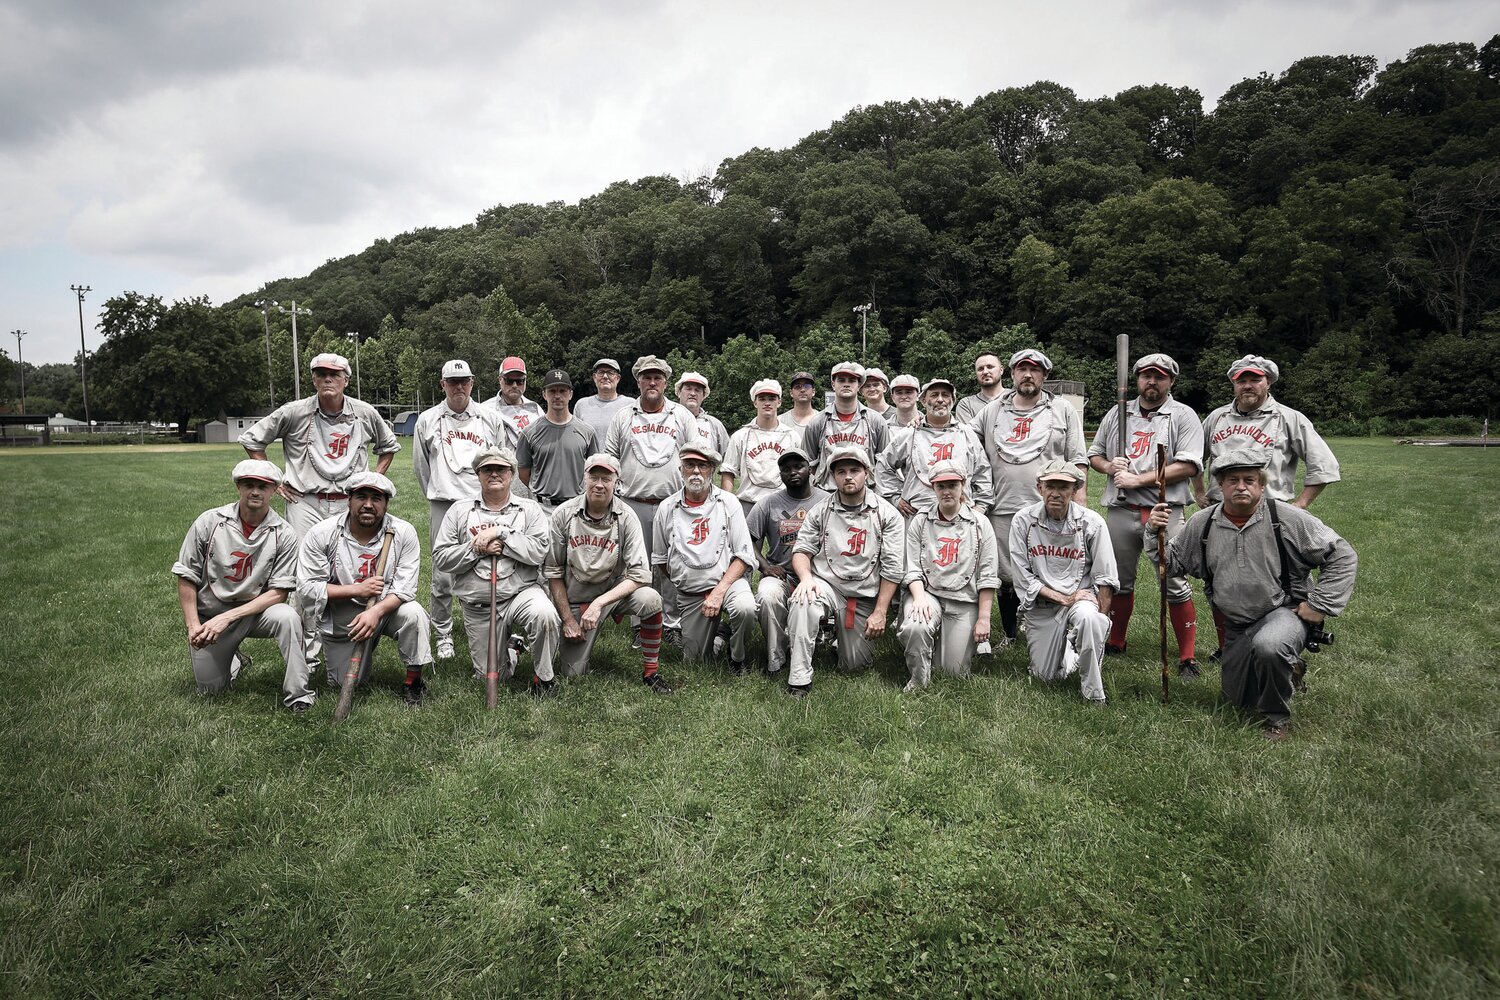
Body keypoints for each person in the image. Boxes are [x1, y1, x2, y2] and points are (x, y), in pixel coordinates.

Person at [1149, 450, 1357, 740]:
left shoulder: (1287, 518)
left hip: (1283, 610)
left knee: (1270, 646)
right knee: (1238, 701)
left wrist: (1320, 604)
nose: (1241, 486)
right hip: (1235, 623)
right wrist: (1153, 532)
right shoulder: (1203, 523)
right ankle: (1291, 667)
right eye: (1232, 480)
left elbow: (1342, 555)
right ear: (1220, 486)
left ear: (1262, 485)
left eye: (1250, 479)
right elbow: (1171, 565)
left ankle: (1276, 719)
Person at [239, 351, 400, 671]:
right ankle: (307, 656)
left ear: (346, 380)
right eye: (321, 373)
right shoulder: (294, 412)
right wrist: (275, 478)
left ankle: (350, 639)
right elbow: (252, 439)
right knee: (305, 577)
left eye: (335, 374)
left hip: (349, 502)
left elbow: (389, 446)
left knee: (351, 572)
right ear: (313, 378)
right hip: (306, 502)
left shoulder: (364, 413)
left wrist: (374, 480)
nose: (328, 379)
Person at [1195, 354, 1343, 660]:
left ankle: (1286, 651)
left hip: (1272, 519)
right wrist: (1200, 492)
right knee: (1223, 584)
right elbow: (1193, 459)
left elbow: (1324, 465)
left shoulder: (1289, 418)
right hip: (1224, 517)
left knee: (1283, 587)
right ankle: (1230, 648)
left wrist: (1301, 505)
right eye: (1241, 380)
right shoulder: (1216, 418)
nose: (1248, 385)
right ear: (1233, 384)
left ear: (1268, 382)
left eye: (1255, 379)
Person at [1088, 352, 1205, 677]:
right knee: (1117, 581)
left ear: (1171, 381)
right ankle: (1116, 641)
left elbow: (1189, 464)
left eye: (1160, 376)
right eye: (1146, 375)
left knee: (1174, 581)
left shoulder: (1183, 416)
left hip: (1164, 510)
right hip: (1122, 512)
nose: (1152, 381)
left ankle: (1186, 657)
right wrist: (1110, 466)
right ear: (1137, 379)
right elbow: (1094, 454)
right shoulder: (1117, 413)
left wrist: (1138, 478)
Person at [173, 460, 311, 712]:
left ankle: (298, 695)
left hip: (255, 612)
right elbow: (186, 575)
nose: (255, 491)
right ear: (238, 486)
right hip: (210, 613)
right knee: (210, 692)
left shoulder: (285, 533)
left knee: (289, 617)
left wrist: (228, 617)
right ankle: (234, 659)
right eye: (249, 485)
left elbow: (279, 593)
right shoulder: (209, 521)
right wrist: (193, 625)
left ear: (274, 490)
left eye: (263, 486)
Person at [973, 348, 1088, 650]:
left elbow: (1078, 460)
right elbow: (965, 439)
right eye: (1022, 369)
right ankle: (1010, 634)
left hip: (1051, 508)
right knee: (1006, 573)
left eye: (1035, 369)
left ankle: (1052, 631)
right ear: (1011, 374)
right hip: (1003, 504)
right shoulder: (993, 410)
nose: (1028, 374)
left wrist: (1082, 507)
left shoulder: (1062, 410)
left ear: (1045, 375)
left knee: (1050, 568)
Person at [432, 450, 561, 697]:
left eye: (501, 469)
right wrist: (477, 549)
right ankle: (513, 648)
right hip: (479, 602)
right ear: (478, 474)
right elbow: (441, 558)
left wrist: (502, 533)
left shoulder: (529, 510)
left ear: (511, 474)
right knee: (491, 677)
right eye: (487, 469)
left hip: (520, 592)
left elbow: (538, 552)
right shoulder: (459, 511)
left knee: (545, 615)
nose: (494, 474)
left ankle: (544, 678)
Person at [297, 471, 431, 706]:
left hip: (386, 609)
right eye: (361, 497)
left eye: (376, 499)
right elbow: (308, 588)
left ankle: (414, 682)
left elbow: (405, 588)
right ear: (348, 500)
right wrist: (357, 590)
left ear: (386, 504)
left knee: (415, 614)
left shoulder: (403, 532)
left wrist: (375, 612)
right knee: (344, 683)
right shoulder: (323, 533)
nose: (368, 505)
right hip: (343, 616)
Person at [545, 453, 673, 693]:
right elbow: (553, 572)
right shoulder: (563, 514)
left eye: (607, 478)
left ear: (617, 482)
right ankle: (521, 645)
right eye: (594, 477)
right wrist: (568, 619)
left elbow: (640, 574)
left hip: (613, 596)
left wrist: (599, 604)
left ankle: (651, 671)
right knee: (572, 674)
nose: (600, 484)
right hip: (575, 601)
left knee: (651, 598)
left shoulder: (627, 516)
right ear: (584, 478)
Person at [785, 447, 905, 697]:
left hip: (864, 596)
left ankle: (833, 635)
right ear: (832, 476)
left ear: (867, 473)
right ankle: (799, 679)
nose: (848, 476)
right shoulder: (820, 510)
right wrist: (806, 579)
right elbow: (801, 550)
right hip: (828, 586)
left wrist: (881, 612)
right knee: (802, 600)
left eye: (854, 470)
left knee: (854, 666)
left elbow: (893, 568)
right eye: (841, 472)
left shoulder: (888, 514)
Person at [412, 358, 508, 660]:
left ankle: (487, 624)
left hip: (480, 505)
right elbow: (420, 467)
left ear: (472, 382)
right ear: (442, 384)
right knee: (442, 574)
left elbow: (500, 459)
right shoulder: (427, 419)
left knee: (487, 566)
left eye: (464, 381)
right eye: (452, 382)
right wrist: (439, 490)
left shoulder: (489, 418)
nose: (458, 387)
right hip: (443, 502)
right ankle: (443, 634)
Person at [1009, 461, 1119, 705]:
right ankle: (1070, 647)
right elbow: (1022, 578)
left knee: (1091, 621)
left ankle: (1093, 693)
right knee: (1045, 677)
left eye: (1063, 487)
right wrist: (1064, 599)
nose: (1056, 493)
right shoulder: (1023, 521)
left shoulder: (1092, 523)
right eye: (1050, 486)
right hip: (1044, 604)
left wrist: (1100, 623)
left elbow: (1106, 578)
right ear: (1039, 487)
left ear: (1075, 490)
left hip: (1083, 598)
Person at [604, 355, 698, 640]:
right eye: (647, 377)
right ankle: (639, 623)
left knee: (671, 564)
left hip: (672, 502)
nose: (652, 382)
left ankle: (671, 623)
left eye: (657, 377)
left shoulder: (681, 415)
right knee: (636, 565)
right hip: (634, 502)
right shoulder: (623, 416)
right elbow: (610, 460)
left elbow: (694, 456)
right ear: (638, 381)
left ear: (666, 382)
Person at [652, 443, 759, 674]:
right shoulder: (666, 508)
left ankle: (737, 657)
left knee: (745, 608)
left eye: (703, 465)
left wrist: (719, 591)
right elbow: (660, 560)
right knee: (696, 663)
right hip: (691, 593)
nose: (696, 472)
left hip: (728, 583)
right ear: (681, 469)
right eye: (690, 465)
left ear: (711, 470)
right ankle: (720, 634)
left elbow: (744, 555)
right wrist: (687, 581)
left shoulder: (729, 503)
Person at [898, 462, 999, 692]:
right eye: (940, 486)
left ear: (962, 486)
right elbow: (911, 567)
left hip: (963, 600)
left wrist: (984, 618)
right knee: (916, 624)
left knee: (953, 673)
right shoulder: (921, 521)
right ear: (933, 488)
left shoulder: (980, 524)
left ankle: (938, 646)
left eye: (952, 485)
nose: (946, 491)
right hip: (928, 594)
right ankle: (918, 680)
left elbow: (988, 575)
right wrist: (919, 597)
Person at [747, 446, 830, 677]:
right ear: (780, 474)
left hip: (818, 575)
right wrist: (764, 565)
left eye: (798, 466)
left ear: (810, 470)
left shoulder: (827, 501)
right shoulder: (768, 503)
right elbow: (747, 539)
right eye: (785, 469)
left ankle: (817, 643)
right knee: (766, 596)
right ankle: (776, 656)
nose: (792, 472)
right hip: (781, 573)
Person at [877, 377, 993, 518]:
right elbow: (883, 466)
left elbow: (983, 471)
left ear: (953, 400)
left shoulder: (967, 433)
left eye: (945, 395)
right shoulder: (909, 433)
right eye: (934, 395)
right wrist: (895, 498)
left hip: (962, 515)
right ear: (924, 400)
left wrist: (981, 506)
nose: (940, 399)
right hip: (918, 514)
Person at [518, 368, 598, 511]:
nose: (557, 396)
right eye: (552, 391)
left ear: (570, 394)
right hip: (542, 508)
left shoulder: (587, 431)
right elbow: (524, 473)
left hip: (577, 507)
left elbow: (594, 470)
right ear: (544, 394)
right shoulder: (529, 432)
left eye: (562, 391)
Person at [721, 379, 803, 517]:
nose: (767, 403)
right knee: (747, 540)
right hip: (748, 503)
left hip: (782, 503)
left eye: (772, 398)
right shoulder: (740, 436)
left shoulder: (792, 436)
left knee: (786, 540)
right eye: (762, 398)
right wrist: (726, 505)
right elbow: (728, 472)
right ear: (755, 402)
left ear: (779, 402)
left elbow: (802, 472)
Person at [803, 361, 889, 491]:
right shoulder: (817, 422)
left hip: (867, 493)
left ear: (859, 385)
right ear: (833, 384)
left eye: (852, 380)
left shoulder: (876, 421)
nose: (846, 384)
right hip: (827, 493)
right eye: (841, 380)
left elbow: (885, 464)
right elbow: (808, 463)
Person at [486, 356, 544, 451]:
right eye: (509, 381)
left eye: (519, 381)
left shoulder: (535, 409)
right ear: (500, 380)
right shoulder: (486, 410)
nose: (514, 385)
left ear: (526, 381)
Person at [573, 358, 636, 445]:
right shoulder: (582, 405)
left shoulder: (631, 405)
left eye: (610, 372)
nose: (605, 376)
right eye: (601, 372)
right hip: (589, 459)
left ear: (618, 378)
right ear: (594, 377)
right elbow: (576, 440)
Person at [675, 370, 730, 457]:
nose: (693, 393)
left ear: (703, 396)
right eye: (688, 389)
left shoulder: (715, 425)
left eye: (697, 390)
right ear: (678, 392)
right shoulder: (668, 418)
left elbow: (728, 460)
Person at [956, 352, 1005, 424]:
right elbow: (968, 434)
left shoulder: (1015, 397)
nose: (985, 372)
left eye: (990, 367)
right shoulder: (967, 404)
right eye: (980, 369)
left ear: (1001, 370)